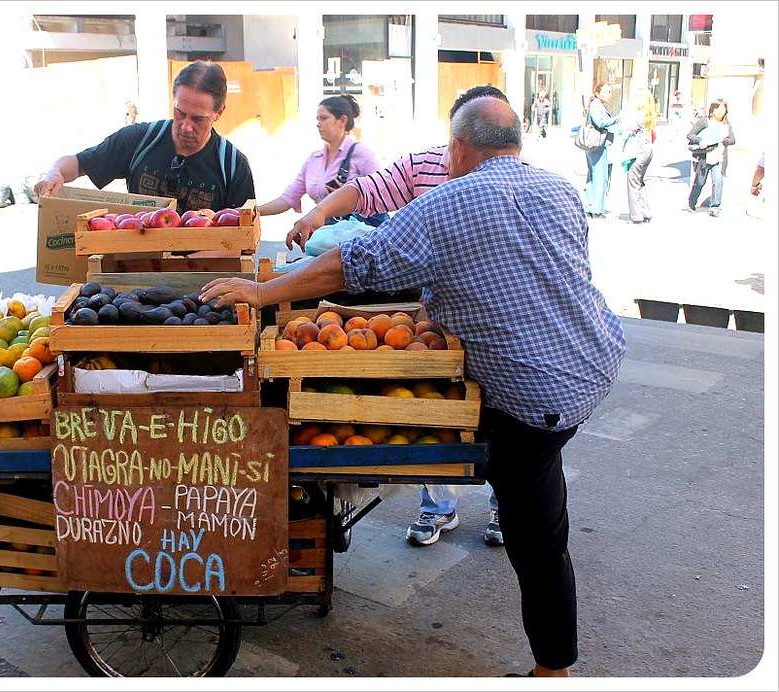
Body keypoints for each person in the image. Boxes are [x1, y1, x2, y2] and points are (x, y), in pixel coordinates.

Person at [201, 96, 626, 678]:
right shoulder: (560, 190)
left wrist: (259, 294)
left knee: (539, 536)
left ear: (456, 148)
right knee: (537, 503)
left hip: (534, 394)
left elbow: (351, 264)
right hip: (593, 360)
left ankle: (553, 671)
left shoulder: (448, 203)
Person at [286, 84, 513, 548]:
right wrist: (318, 214)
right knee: (427, 405)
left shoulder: (513, 181)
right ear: (456, 136)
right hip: (432, 316)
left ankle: (502, 508)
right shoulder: (425, 166)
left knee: (494, 416)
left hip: (492, 318)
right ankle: (438, 507)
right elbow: (365, 192)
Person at [34, 60, 255, 214]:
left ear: (219, 113)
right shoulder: (140, 140)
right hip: (136, 269)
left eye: (198, 119)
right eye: (179, 113)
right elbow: (79, 163)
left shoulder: (233, 165)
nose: (186, 126)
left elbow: (242, 238)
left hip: (203, 276)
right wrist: (55, 173)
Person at [256, 94, 384, 225]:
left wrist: (351, 197)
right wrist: (253, 212)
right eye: (317, 119)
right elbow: (288, 198)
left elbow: (383, 192)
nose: (318, 124)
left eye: (324, 118)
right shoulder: (314, 159)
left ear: (342, 121)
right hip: (328, 235)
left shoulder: (361, 153)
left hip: (357, 236)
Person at [686, 98, 736, 218]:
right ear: (712, 109)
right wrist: (701, 141)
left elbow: (733, 140)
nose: (720, 111)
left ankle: (715, 207)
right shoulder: (705, 121)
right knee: (700, 182)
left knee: (718, 181)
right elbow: (690, 135)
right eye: (718, 108)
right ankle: (692, 202)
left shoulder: (727, 125)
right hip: (704, 158)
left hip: (719, 158)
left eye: (723, 109)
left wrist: (724, 140)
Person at [583, 82, 621, 219]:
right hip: (597, 144)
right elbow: (599, 122)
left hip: (594, 145)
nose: (609, 95)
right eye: (605, 92)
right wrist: (616, 120)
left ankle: (591, 206)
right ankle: (597, 209)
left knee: (593, 175)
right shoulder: (596, 105)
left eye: (610, 92)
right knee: (599, 176)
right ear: (598, 93)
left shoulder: (597, 104)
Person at [620, 88, 657, 224]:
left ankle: (636, 216)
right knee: (640, 182)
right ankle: (646, 212)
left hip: (638, 152)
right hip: (648, 151)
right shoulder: (649, 115)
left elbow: (626, 130)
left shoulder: (638, 115)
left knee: (633, 181)